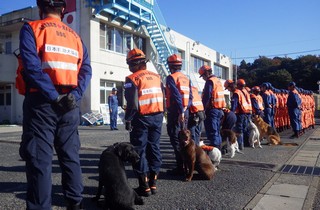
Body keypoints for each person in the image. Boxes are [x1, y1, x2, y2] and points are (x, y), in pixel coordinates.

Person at [18, 0, 92, 209]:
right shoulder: (75, 37)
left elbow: (32, 68)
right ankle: (75, 203)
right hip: (69, 105)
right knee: (70, 157)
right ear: (63, 9)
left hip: (42, 103)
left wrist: (53, 96)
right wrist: (75, 96)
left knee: (40, 162)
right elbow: (86, 70)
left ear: (41, 8)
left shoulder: (32, 28)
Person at [124, 48, 165, 196]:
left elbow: (132, 104)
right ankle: (153, 184)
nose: (129, 67)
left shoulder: (132, 78)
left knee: (139, 151)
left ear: (134, 64)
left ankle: (144, 186)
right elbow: (163, 98)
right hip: (158, 116)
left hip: (141, 118)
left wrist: (128, 119)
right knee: (154, 148)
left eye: (129, 64)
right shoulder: (157, 77)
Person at [165, 54, 192, 175]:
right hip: (185, 110)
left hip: (176, 111)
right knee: (184, 138)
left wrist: (180, 110)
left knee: (175, 138)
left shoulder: (171, 77)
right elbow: (190, 96)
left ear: (170, 66)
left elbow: (175, 95)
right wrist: (185, 108)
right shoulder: (186, 78)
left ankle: (180, 167)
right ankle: (186, 165)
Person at [199, 65, 226, 150]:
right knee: (216, 131)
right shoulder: (217, 81)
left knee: (212, 131)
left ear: (206, 74)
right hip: (219, 110)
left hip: (212, 110)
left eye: (202, 76)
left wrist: (201, 109)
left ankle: (215, 151)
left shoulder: (210, 81)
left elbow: (207, 96)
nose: (203, 78)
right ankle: (219, 149)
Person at [224, 79, 252, 150]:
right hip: (245, 113)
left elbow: (234, 106)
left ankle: (240, 145)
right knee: (244, 129)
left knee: (239, 130)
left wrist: (230, 113)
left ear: (230, 86)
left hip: (240, 114)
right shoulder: (240, 91)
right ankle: (245, 144)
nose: (228, 90)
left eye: (228, 88)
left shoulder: (236, 93)